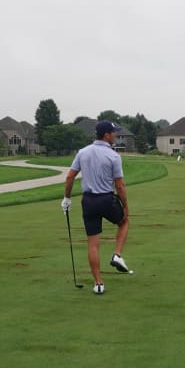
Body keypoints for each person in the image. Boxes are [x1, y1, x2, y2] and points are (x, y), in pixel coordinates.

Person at [61, 120, 131, 294]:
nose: (115, 135)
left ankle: (98, 283)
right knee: (124, 222)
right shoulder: (114, 156)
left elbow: (70, 178)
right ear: (106, 135)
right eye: (113, 132)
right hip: (106, 200)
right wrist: (125, 206)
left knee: (93, 243)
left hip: (89, 201)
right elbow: (120, 185)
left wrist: (66, 199)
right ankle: (117, 255)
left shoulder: (82, 152)